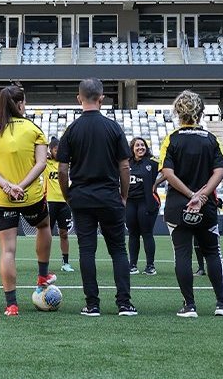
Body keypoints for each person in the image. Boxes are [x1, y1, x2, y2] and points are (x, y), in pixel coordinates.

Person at [160, 90, 223, 318]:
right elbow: (220, 170)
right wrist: (202, 195)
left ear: (178, 112)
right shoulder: (210, 139)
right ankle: (222, 302)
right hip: (206, 206)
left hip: (178, 206)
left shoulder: (172, 139)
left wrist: (190, 195)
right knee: (212, 253)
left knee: (182, 255)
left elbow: (167, 172)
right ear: (200, 111)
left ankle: (189, 305)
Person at [56, 78, 136, 317]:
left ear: (79, 98)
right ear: (102, 98)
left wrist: (68, 195)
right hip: (110, 196)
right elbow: (125, 167)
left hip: (81, 196)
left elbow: (62, 169)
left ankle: (92, 304)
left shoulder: (71, 129)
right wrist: (123, 195)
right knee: (119, 250)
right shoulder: (113, 127)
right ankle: (124, 303)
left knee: (87, 250)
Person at [0, 84, 55, 316]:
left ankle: (11, 304)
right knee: (43, 225)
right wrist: (21, 186)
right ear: (20, 104)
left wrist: (8, 186)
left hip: (2, 199)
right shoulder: (34, 129)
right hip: (30, 196)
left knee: (7, 251)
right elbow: (41, 163)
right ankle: (43, 274)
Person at [126, 136, 162, 275]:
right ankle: (132, 265)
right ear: (132, 148)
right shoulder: (126, 163)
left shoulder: (152, 162)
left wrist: (156, 183)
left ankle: (150, 266)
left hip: (147, 202)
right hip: (130, 203)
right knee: (133, 234)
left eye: (142, 145)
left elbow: (167, 171)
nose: (140, 147)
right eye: (137, 145)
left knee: (147, 233)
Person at [45, 137, 74, 273]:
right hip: (50, 202)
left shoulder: (66, 164)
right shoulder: (46, 163)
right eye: (56, 149)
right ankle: (44, 262)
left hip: (65, 202)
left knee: (64, 233)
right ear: (51, 150)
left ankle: (66, 262)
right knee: (47, 234)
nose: (59, 152)